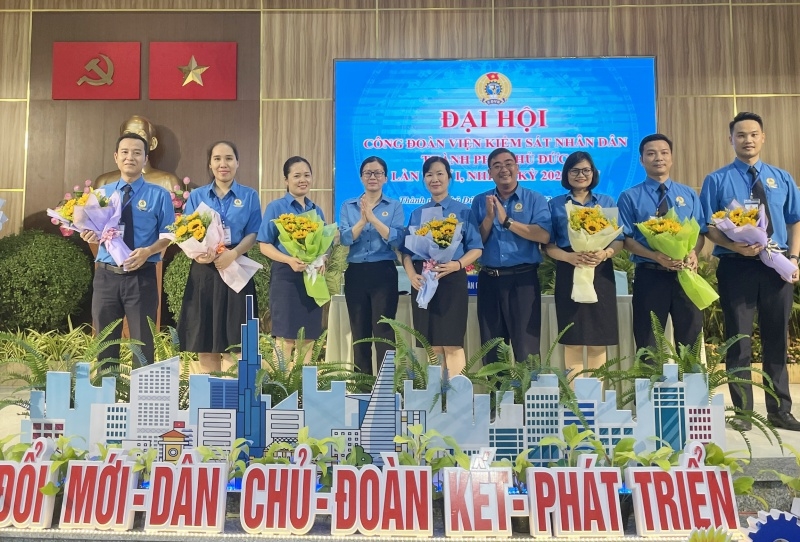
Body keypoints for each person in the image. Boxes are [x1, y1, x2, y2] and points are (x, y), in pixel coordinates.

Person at [701, 112, 800, 432]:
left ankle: (780, 410)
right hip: (736, 267)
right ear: (730, 139)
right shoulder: (716, 180)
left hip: (777, 265)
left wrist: (794, 258)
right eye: (741, 135)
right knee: (739, 339)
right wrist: (734, 245)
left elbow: (795, 220)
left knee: (776, 339)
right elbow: (708, 226)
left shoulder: (781, 177)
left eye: (753, 134)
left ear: (763, 137)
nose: (748, 140)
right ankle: (743, 412)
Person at [80, 133, 175, 367]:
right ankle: (106, 390)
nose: (130, 157)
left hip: (141, 278)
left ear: (145, 159)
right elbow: (92, 230)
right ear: (116, 157)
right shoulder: (101, 194)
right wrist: (88, 235)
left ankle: (140, 392)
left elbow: (169, 235)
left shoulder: (159, 195)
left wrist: (148, 251)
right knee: (104, 346)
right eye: (124, 152)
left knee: (143, 346)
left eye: (136, 153)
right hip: (106, 277)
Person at [177, 141, 261, 374]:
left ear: (237, 163)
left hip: (236, 266)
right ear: (210, 164)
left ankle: (235, 392)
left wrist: (233, 254)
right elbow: (186, 231)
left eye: (229, 158)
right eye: (217, 159)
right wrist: (201, 254)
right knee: (206, 339)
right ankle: (209, 391)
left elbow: (254, 232)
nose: (223, 164)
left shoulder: (249, 195)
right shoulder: (197, 195)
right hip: (205, 270)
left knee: (237, 340)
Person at [617, 134, 704, 352]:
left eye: (664, 153)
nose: (659, 158)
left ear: (671, 158)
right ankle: (649, 376)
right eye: (651, 153)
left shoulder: (688, 194)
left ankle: (691, 376)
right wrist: (655, 255)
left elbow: (701, 232)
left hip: (685, 275)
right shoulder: (629, 196)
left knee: (690, 341)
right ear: (641, 160)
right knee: (648, 343)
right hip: (650, 275)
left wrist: (694, 253)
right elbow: (626, 239)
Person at [470, 148, 551, 364]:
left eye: (508, 164)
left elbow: (544, 235)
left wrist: (507, 221)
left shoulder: (535, 199)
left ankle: (529, 387)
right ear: (489, 172)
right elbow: (475, 241)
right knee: (492, 349)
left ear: (517, 167)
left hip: (523, 280)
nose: (503, 169)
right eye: (496, 166)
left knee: (527, 349)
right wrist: (489, 218)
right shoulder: (480, 201)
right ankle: (497, 388)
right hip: (489, 279)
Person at [402, 156, 482, 376]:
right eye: (429, 174)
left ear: (449, 178)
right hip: (423, 282)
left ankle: (456, 394)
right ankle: (436, 394)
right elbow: (406, 252)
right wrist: (412, 275)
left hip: (451, 280)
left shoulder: (463, 211)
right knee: (433, 345)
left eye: (439, 174)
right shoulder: (417, 214)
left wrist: (457, 264)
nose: (434, 179)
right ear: (424, 180)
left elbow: (476, 248)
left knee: (452, 342)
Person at [545, 151, 623, 375]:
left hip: (600, 271)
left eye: (586, 170)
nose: (581, 175)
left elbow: (619, 240)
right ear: (566, 174)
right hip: (569, 269)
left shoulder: (606, 202)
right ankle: (574, 394)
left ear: (593, 173)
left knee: (599, 339)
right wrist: (568, 257)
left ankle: (596, 394)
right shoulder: (555, 204)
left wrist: (605, 253)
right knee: (573, 339)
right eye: (575, 170)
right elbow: (547, 245)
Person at [339, 156, 404, 375]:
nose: (373, 177)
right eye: (368, 173)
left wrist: (373, 219)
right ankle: (362, 386)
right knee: (360, 332)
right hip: (356, 273)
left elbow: (397, 239)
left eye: (377, 173)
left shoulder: (394, 206)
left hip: (383, 272)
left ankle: (386, 384)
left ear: (385, 178)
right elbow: (345, 239)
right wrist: (362, 220)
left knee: (384, 330)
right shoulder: (348, 206)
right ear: (361, 177)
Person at [258, 156, 325, 365]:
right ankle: (282, 383)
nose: (302, 180)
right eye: (296, 176)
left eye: (307, 175)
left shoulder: (316, 210)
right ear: (286, 180)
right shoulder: (276, 207)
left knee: (308, 339)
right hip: (285, 277)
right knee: (285, 338)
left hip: (312, 278)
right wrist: (289, 260)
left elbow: (323, 245)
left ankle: (303, 384)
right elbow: (264, 245)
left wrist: (322, 259)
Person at [95, 115, 181, 191]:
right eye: (127, 134)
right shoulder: (104, 182)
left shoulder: (167, 182)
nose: (133, 141)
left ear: (153, 143)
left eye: (140, 134)